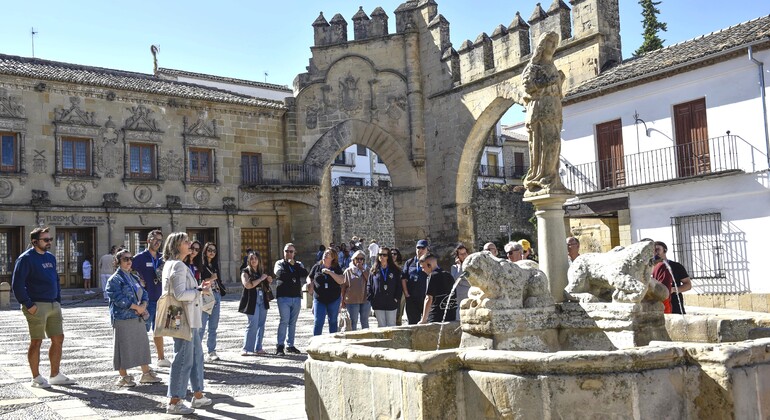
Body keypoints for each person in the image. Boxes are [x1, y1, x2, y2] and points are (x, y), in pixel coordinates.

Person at [11, 226, 76, 388]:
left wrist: (58, 300)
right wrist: (28, 304)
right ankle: (36, 377)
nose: (49, 242)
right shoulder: (25, 259)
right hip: (36, 305)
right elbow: (17, 285)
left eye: (50, 239)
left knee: (58, 338)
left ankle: (55, 374)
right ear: (34, 242)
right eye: (45, 240)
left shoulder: (51, 258)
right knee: (36, 341)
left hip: (53, 304)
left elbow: (55, 279)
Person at [162, 232, 212, 415]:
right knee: (183, 358)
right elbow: (180, 294)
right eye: (186, 241)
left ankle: (198, 395)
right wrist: (199, 290)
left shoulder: (176, 265)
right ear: (177, 246)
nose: (190, 243)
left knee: (195, 355)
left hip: (185, 316)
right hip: (184, 317)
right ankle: (175, 401)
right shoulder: (178, 266)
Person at [106, 248, 162, 387]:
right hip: (123, 318)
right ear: (118, 262)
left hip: (137, 317)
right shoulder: (115, 279)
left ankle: (146, 373)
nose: (129, 261)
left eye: (130, 259)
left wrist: (143, 305)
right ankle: (124, 377)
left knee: (142, 345)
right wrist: (137, 308)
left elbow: (144, 293)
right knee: (123, 348)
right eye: (125, 259)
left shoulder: (134, 277)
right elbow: (119, 299)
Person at [522, 31, 567, 194]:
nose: (554, 46)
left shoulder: (552, 66)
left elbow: (557, 90)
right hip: (539, 109)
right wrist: (550, 81)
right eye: (550, 42)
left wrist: (559, 81)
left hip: (554, 108)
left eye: (556, 43)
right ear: (542, 45)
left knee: (555, 143)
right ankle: (540, 176)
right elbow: (528, 87)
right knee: (544, 143)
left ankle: (551, 175)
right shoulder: (533, 67)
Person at [132, 230, 169, 367]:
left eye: (160, 240)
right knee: (143, 330)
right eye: (155, 239)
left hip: (161, 298)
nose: (157, 242)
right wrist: (138, 282)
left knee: (159, 330)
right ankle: (139, 359)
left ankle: (161, 358)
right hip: (146, 300)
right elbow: (128, 272)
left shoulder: (162, 258)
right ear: (148, 240)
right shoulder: (140, 257)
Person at [273, 243, 308, 355]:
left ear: (294, 253)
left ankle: (290, 345)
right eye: (286, 251)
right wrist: (293, 273)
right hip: (283, 297)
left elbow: (304, 273)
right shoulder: (279, 263)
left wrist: (294, 267)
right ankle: (280, 346)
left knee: (292, 323)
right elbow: (280, 274)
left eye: (291, 251)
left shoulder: (298, 264)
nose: (288, 253)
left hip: (296, 297)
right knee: (284, 321)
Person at [239, 251, 272, 355]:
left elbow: (264, 284)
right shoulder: (245, 271)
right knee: (252, 323)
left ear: (259, 260)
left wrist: (268, 280)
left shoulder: (261, 271)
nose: (254, 260)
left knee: (261, 324)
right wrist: (261, 279)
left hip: (262, 298)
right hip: (252, 299)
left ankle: (259, 347)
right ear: (249, 260)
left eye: (255, 258)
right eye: (252, 258)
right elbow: (247, 285)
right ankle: (246, 348)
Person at [308, 249, 345, 335]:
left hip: (333, 299)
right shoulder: (317, 266)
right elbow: (310, 276)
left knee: (333, 321)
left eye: (328, 254)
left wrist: (330, 273)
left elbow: (341, 280)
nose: (325, 255)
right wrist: (309, 283)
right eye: (325, 253)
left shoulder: (336, 268)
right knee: (318, 321)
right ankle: (316, 342)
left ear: (333, 258)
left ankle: (333, 343)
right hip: (319, 298)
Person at [418, 253, 458, 324]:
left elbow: (428, 298)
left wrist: (423, 319)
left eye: (423, 267)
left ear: (429, 265)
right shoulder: (449, 275)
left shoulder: (432, 276)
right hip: (450, 316)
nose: (422, 270)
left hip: (436, 317)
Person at [199, 242, 223, 362]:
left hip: (216, 295)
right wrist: (212, 278)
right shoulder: (201, 264)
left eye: (214, 250)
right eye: (209, 250)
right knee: (202, 326)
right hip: (206, 295)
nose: (211, 252)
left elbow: (218, 279)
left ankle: (211, 351)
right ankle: (197, 352)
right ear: (205, 251)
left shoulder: (214, 264)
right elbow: (200, 281)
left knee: (213, 326)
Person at [654, 241, 692, 314]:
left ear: (665, 250)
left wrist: (674, 289)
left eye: (657, 249)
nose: (655, 252)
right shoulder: (650, 268)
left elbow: (688, 285)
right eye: (653, 250)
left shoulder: (676, 266)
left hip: (675, 304)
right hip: (656, 305)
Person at [367, 247, 402, 327]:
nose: (382, 257)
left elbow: (399, 285)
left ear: (388, 256)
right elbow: (369, 285)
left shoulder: (395, 270)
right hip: (378, 302)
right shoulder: (373, 270)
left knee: (391, 325)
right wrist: (371, 298)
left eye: (384, 255)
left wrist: (397, 298)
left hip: (391, 302)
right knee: (381, 325)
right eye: (380, 254)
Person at [341, 250, 370, 330]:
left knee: (365, 321)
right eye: (357, 259)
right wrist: (342, 301)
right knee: (353, 321)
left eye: (362, 259)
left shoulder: (367, 269)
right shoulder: (348, 271)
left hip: (365, 300)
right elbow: (343, 287)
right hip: (352, 300)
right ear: (353, 259)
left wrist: (362, 270)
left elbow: (370, 280)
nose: (359, 261)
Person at [402, 239, 429, 324]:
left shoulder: (429, 262)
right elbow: (403, 278)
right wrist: (406, 293)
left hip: (425, 298)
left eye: (422, 248)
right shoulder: (409, 262)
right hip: (412, 298)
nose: (420, 250)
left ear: (427, 249)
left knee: (427, 323)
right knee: (412, 324)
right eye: (418, 247)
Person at [450, 244, 470, 319]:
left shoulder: (471, 266)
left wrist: (463, 282)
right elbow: (456, 280)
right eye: (461, 254)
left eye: (465, 253)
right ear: (457, 256)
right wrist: (460, 266)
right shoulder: (454, 268)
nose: (464, 256)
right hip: (461, 299)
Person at [390, 248, 406, 326]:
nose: (393, 255)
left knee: (399, 314)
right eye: (391, 254)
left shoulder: (401, 267)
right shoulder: (386, 266)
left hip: (400, 292)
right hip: (390, 292)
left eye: (395, 254)